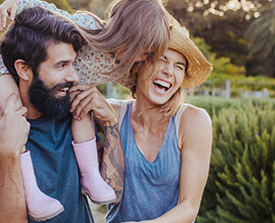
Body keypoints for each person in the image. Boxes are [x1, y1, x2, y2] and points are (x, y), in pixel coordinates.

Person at [0, 0, 172, 219]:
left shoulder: (122, 64)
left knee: (83, 104)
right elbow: (49, 13)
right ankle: (30, 189)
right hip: (2, 65)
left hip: (63, 87)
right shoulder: (87, 26)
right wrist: (15, 3)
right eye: (140, 51)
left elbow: (145, 84)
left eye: (147, 54)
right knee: (11, 113)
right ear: (124, 33)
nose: (140, 58)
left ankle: (90, 175)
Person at [0, 7, 124, 222]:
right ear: (24, 70)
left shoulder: (73, 114)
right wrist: (8, 150)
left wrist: (109, 121)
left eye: (72, 63)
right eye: (61, 65)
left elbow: (115, 192)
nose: (74, 76)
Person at [71, 24, 213, 222]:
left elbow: (189, 206)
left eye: (179, 66)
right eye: (161, 60)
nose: (169, 71)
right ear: (138, 64)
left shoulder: (192, 122)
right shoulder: (111, 114)